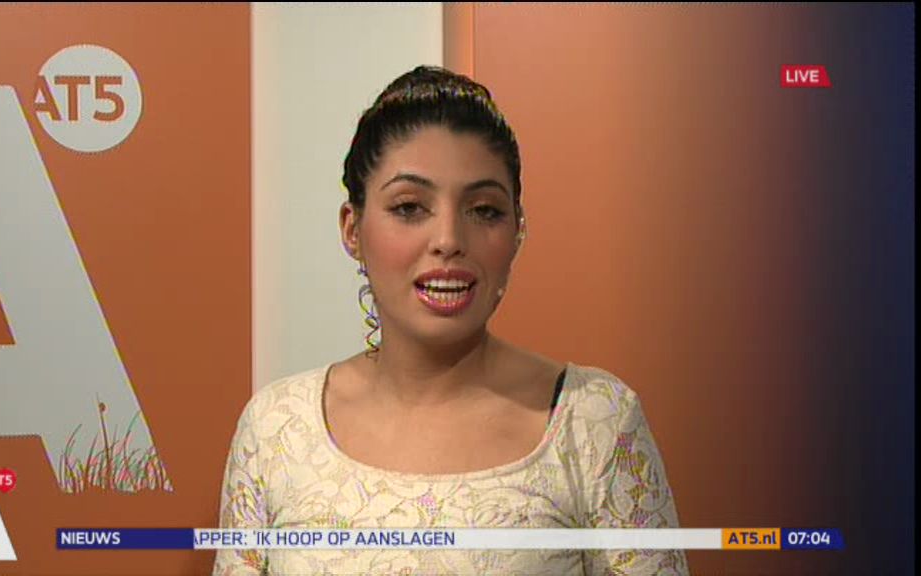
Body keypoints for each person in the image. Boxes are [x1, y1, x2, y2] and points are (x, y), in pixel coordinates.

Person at [215, 65, 689, 575]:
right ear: (353, 229)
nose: (448, 239)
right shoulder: (277, 430)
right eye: (409, 207)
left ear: (517, 231)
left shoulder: (595, 421)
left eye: (483, 210)